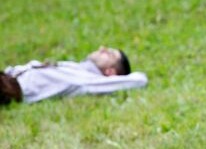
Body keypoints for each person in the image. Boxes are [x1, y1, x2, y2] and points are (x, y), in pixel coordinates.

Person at [0, 46, 148, 105]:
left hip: (10, 88)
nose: (102, 48)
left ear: (110, 72)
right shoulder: (78, 68)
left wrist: (113, 81)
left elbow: (140, 80)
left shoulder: (89, 81)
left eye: (109, 54)